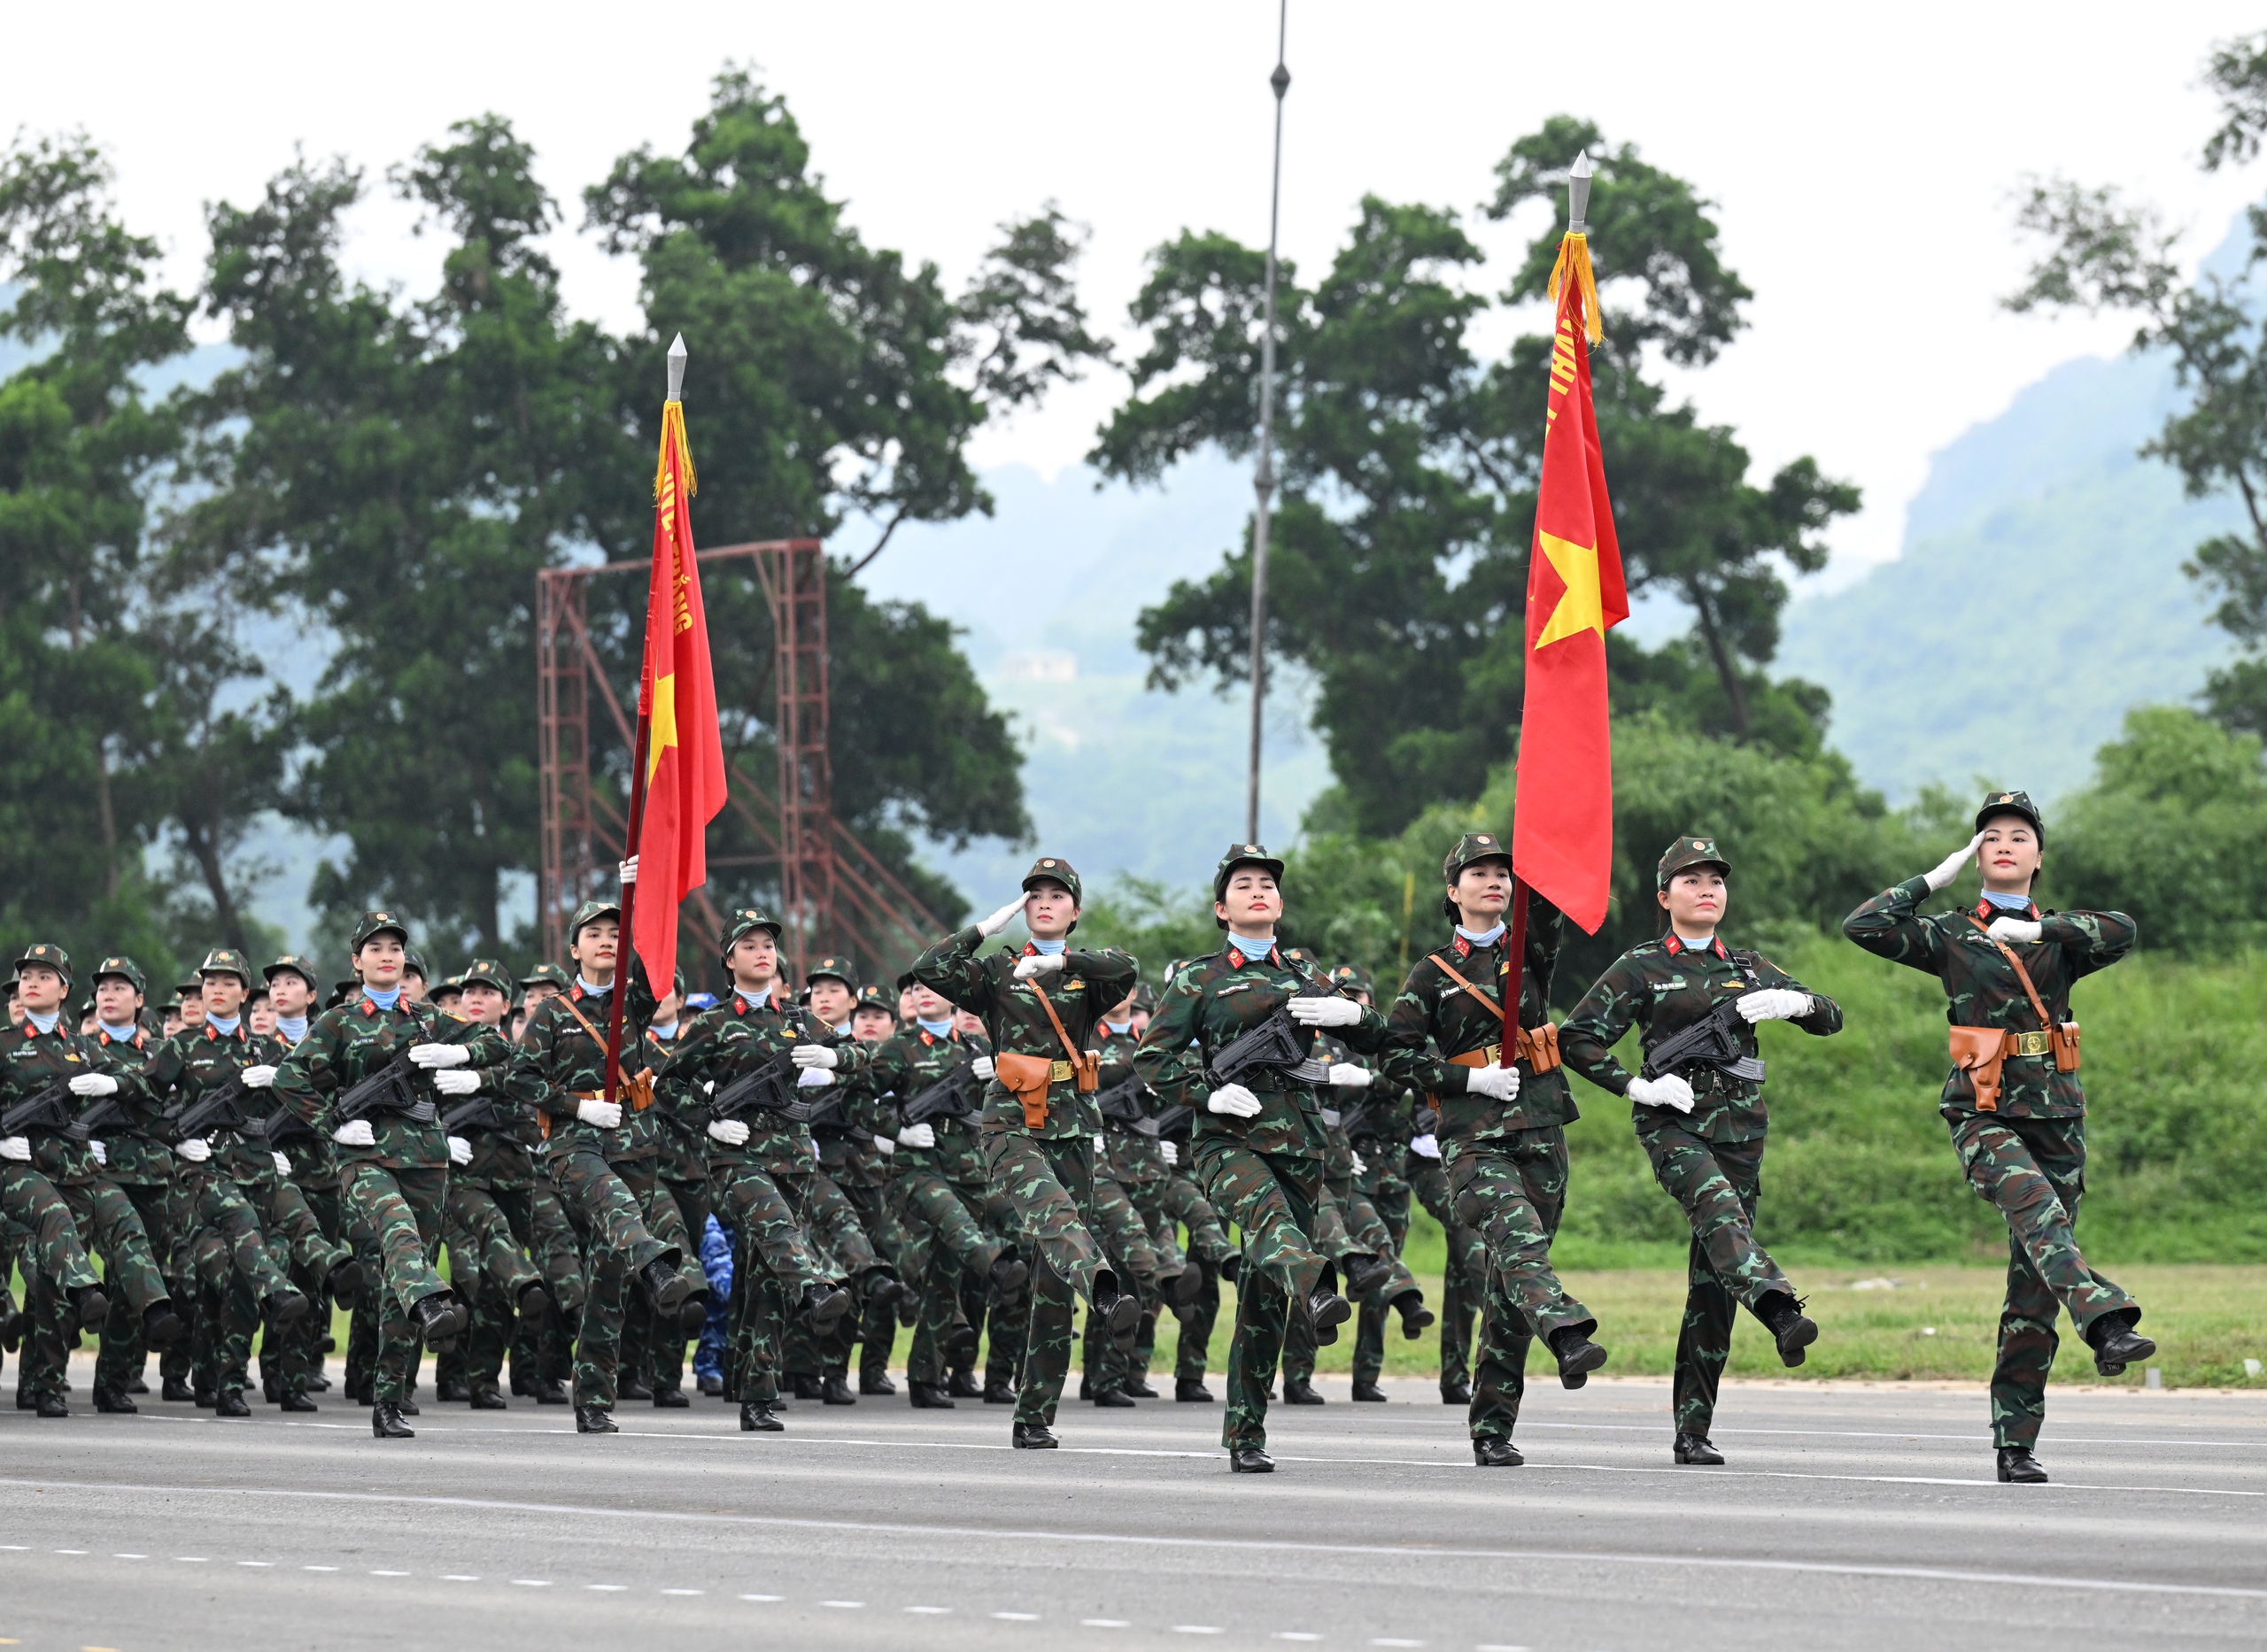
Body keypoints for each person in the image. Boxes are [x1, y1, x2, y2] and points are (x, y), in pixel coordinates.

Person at [1843, 791, 2152, 1484]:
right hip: (1983, 1112)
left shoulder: (2061, 937)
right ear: (1976, 854)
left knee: (2035, 1281)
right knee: (2041, 1219)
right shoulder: (1952, 934)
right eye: (1991, 837)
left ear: (2039, 857)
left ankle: (2015, 1442)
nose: (2004, 844)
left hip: (2057, 1117)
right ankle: (2105, 1319)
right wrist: (1930, 881)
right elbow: (1865, 925)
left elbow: (2123, 929)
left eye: (2019, 836)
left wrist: (2040, 932)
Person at [1559, 836, 1841, 1467]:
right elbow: (1578, 1038)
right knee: (1720, 1214)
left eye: (1715, 880)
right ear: (1665, 898)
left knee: (1715, 1281)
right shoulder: (1640, 966)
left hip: (1742, 1130)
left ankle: (1693, 1431)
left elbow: (1832, 1017)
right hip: (1674, 1125)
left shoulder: (1748, 964)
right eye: (1691, 881)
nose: (1707, 890)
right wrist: (1635, 1086)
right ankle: (1778, 1305)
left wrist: (1797, 1003)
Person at [1134, 845, 1384, 1474]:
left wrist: (1351, 1013)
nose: (1258, 890)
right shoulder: (1198, 979)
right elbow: (1151, 1059)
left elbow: (1378, 1036)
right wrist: (1207, 1092)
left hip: (1299, 1145)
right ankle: (1319, 1281)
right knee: (1271, 1223)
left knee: (1264, 1294)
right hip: (1228, 1141)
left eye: (1267, 883)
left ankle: (1246, 1434)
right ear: (1222, 909)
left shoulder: (1303, 971)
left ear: (1280, 901)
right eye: (1243, 884)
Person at [1378, 835, 1602, 1464]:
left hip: (1541, 1128)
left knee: (1509, 1285)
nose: (1494, 881)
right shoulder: (1431, 973)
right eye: (1478, 873)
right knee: (1519, 1243)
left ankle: (1492, 1429)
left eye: (1503, 872)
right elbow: (1395, 1055)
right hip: (1475, 1139)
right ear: (1453, 891)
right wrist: (1466, 1078)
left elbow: (1551, 902)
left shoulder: (1529, 948)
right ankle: (1565, 1330)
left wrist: (1541, 842)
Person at [914, 855, 1141, 1448]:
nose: (1044, 902)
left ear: (1075, 910)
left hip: (1072, 1123)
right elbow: (929, 968)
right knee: (1056, 1218)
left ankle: (1034, 1415)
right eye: (1034, 894)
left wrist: (1061, 961)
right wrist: (985, 928)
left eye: (1056, 895)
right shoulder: (996, 973)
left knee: (1053, 1277)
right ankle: (1105, 1288)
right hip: (1011, 1121)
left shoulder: (1084, 975)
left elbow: (1127, 968)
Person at [274, 913, 485, 1438]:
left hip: (427, 1159)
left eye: (395, 947)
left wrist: (460, 1052)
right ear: (357, 961)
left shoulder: (428, 1018)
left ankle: (389, 1400)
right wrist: (333, 1123)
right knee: (398, 1234)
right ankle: (434, 1300)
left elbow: (498, 1042)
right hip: (365, 1158)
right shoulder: (340, 1022)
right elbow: (288, 1077)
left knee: (399, 1281)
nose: (387, 955)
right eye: (375, 948)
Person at [504, 882, 698, 1434]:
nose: (607, 941)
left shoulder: (634, 1002)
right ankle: (656, 1264)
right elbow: (520, 1078)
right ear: (575, 948)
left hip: (634, 1142)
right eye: (594, 934)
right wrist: (577, 1107)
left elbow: (656, 959)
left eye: (615, 933)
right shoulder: (552, 1013)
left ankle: (592, 1400)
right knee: (616, 1207)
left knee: (609, 1281)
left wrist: (642, 888)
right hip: (575, 1144)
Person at [654, 908, 852, 1432]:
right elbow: (667, 1085)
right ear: (729, 960)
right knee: (778, 1230)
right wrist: (709, 1121)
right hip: (737, 1158)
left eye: (767, 944)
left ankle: (757, 1395)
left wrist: (833, 1060)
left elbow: (860, 1056)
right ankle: (815, 1287)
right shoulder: (714, 1024)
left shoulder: (799, 1020)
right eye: (749, 946)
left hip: (793, 1159)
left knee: (767, 1279)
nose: (762, 953)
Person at [0, 943, 174, 1417]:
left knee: (125, 1224)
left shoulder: (81, 1047)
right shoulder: (5, 1043)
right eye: (26, 976)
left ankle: (155, 1309)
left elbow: (144, 1086)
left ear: (63, 990)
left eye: (44, 976)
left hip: (77, 1168)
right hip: (20, 1168)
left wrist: (113, 1083)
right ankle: (80, 1301)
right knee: (56, 1224)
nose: (31, 982)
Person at [864, 975, 1030, 1409]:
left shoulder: (975, 1049)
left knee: (943, 1277)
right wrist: (897, 1130)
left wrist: (1003, 1073)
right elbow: (856, 1101)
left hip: (969, 1174)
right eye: (916, 989)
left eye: (931, 987)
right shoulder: (898, 1048)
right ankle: (996, 1263)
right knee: (957, 1227)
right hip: (917, 1171)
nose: (922, 993)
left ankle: (925, 1378)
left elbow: (1014, 1106)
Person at [437, 957, 554, 1409]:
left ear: (506, 1006)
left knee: (493, 1285)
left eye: (487, 993)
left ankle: (482, 1380)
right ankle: (525, 1284)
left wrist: (478, 1078)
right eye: (470, 991)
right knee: (491, 1249)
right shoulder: (440, 1047)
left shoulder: (519, 1049)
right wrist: (439, 1139)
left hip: (514, 1174)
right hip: (461, 1176)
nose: (476, 999)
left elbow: (525, 1083)